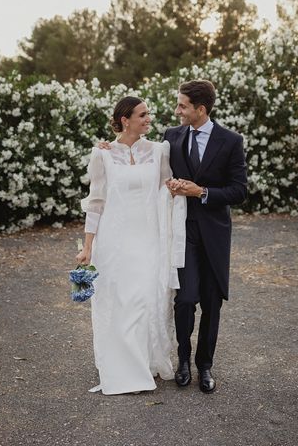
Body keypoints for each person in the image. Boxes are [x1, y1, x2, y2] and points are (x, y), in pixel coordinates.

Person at [75, 96, 180, 395]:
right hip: (114, 239)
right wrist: (87, 247)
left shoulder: (160, 151)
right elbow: (96, 202)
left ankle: (146, 361)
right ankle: (125, 368)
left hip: (149, 238)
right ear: (125, 119)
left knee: (146, 299)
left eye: (148, 114)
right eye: (143, 115)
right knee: (120, 300)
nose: (149, 119)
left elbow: (168, 189)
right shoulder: (103, 155)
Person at [164, 80, 247, 393]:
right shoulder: (170, 136)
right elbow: (142, 156)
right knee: (185, 299)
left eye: (183, 105)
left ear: (201, 109)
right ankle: (183, 360)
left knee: (212, 303)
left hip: (214, 234)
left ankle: (205, 365)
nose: (178, 110)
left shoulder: (230, 141)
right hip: (182, 231)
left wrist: (202, 192)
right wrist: (109, 147)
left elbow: (240, 191)